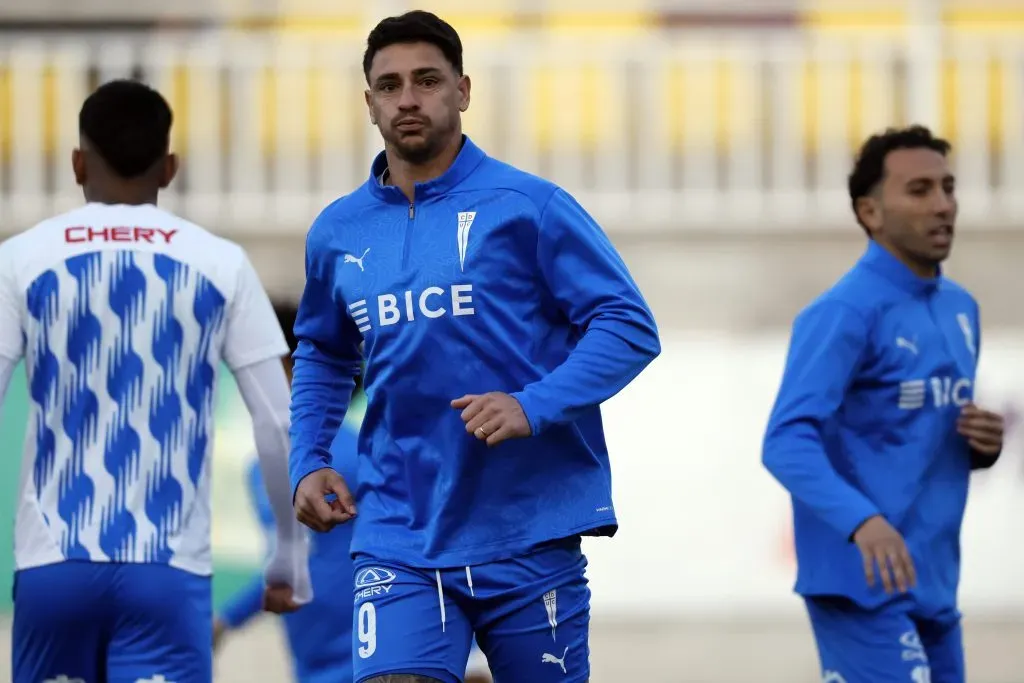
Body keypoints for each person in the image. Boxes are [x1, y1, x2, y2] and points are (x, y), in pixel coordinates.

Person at [288, 10, 660, 683]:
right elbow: (322, 350)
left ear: (462, 90)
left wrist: (534, 404)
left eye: (427, 80)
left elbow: (628, 325)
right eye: (390, 84)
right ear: (368, 101)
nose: (408, 97)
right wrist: (308, 459)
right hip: (398, 530)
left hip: (528, 528)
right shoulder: (337, 231)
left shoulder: (530, 207)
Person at [0, 79, 311, 683]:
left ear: (76, 164)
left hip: (52, 567)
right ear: (169, 168)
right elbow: (278, 421)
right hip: (168, 573)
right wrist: (290, 555)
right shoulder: (220, 263)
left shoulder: (20, 259)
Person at [762, 125, 1005, 683]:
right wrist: (862, 521)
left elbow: (917, 435)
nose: (944, 205)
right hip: (861, 576)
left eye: (948, 188)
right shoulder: (842, 312)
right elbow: (785, 441)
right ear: (870, 212)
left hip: (935, 576)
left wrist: (983, 447)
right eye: (919, 190)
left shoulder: (961, 308)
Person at [214, 302, 493, 683]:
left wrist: (472, 657)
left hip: (385, 660)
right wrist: (225, 620)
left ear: (294, 367)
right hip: (312, 666)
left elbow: (433, 547)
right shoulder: (258, 471)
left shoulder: (364, 454)